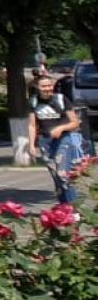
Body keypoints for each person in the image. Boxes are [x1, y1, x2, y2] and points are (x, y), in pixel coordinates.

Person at [30, 73, 86, 206]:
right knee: (56, 177)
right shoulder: (33, 102)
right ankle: (63, 208)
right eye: (44, 86)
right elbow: (32, 125)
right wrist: (31, 145)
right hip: (45, 142)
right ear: (37, 87)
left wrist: (61, 128)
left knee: (63, 175)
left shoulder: (61, 99)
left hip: (64, 140)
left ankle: (74, 208)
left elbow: (75, 122)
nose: (47, 88)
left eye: (49, 85)